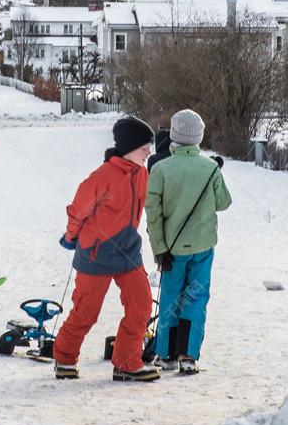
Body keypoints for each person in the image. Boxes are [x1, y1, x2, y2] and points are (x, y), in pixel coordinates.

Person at [52, 117, 160, 383]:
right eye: (144, 148)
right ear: (128, 148)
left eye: (150, 148)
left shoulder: (142, 173)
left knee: (142, 306)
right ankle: (64, 358)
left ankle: (126, 362)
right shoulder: (103, 177)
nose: (148, 153)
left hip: (128, 252)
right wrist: (71, 237)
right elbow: (80, 210)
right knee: (86, 313)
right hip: (96, 253)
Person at [145, 109, 232, 375]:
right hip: (203, 248)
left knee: (171, 297)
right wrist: (217, 171)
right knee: (195, 298)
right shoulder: (209, 168)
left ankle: (166, 355)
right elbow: (223, 203)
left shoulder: (160, 169)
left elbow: (153, 215)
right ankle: (188, 356)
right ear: (198, 137)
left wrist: (159, 250)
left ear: (173, 135)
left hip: (171, 250)